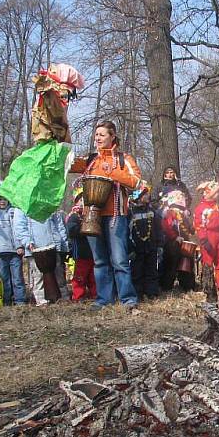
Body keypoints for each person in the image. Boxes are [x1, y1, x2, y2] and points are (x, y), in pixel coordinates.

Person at [69, 121, 143, 309]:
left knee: (119, 259)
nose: (98, 138)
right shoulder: (90, 160)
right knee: (99, 260)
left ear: (112, 136)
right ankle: (104, 299)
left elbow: (136, 181)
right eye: (96, 135)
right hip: (91, 215)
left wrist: (115, 174)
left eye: (102, 134)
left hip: (115, 215)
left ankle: (128, 299)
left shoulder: (123, 159)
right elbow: (68, 166)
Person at [13, 207, 68, 305]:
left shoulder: (49, 204)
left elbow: (59, 225)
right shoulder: (21, 207)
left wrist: (63, 243)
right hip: (35, 248)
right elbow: (19, 227)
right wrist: (28, 242)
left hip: (54, 245)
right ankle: (42, 300)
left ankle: (63, 297)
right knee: (38, 276)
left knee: (59, 273)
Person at [0, 190, 27, 305]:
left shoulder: (13, 212)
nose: (2, 202)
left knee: (17, 278)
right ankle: (6, 300)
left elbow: (16, 229)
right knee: (3, 278)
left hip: (14, 251)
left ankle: (19, 300)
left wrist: (19, 245)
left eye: (4, 199)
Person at [128, 183, 163, 299]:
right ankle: (137, 293)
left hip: (151, 246)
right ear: (138, 196)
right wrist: (129, 249)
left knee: (152, 270)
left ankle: (151, 292)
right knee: (137, 271)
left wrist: (159, 245)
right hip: (136, 248)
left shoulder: (152, 212)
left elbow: (158, 229)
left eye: (148, 193)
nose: (148, 196)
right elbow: (126, 233)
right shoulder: (130, 213)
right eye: (145, 194)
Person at [194, 181, 219, 290]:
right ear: (208, 193)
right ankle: (207, 285)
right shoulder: (201, 208)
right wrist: (203, 239)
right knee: (207, 261)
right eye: (215, 193)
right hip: (209, 237)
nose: (218, 195)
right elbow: (198, 225)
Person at [160, 189, 196, 292]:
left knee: (186, 263)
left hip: (185, 243)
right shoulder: (169, 213)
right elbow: (166, 226)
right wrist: (174, 237)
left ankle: (187, 286)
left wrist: (193, 228)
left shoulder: (184, 214)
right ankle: (166, 286)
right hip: (173, 243)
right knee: (171, 264)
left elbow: (188, 228)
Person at [66, 190, 97, 301]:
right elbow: (71, 231)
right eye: (81, 199)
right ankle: (78, 296)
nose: (84, 202)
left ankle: (95, 294)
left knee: (93, 276)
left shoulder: (91, 214)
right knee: (80, 276)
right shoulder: (74, 216)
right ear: (77, 201)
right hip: (81, 253)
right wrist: (83, 228)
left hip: (92, 252)